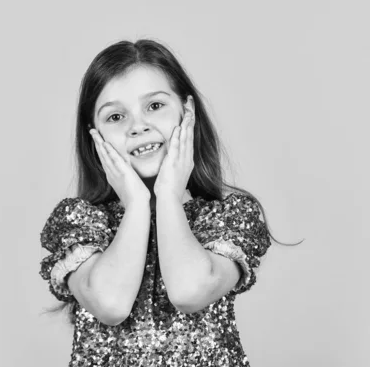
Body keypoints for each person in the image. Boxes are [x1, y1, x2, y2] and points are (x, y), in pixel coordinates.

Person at [38, 39, 302, 367]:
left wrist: (168, 197)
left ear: (186, 112)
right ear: (95, 138)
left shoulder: (227, 217)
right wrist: (135, 204)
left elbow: (189, 292)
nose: (138, 126)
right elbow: (111, 304)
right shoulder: (80, 223)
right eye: (116, 116)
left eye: (155, 106)